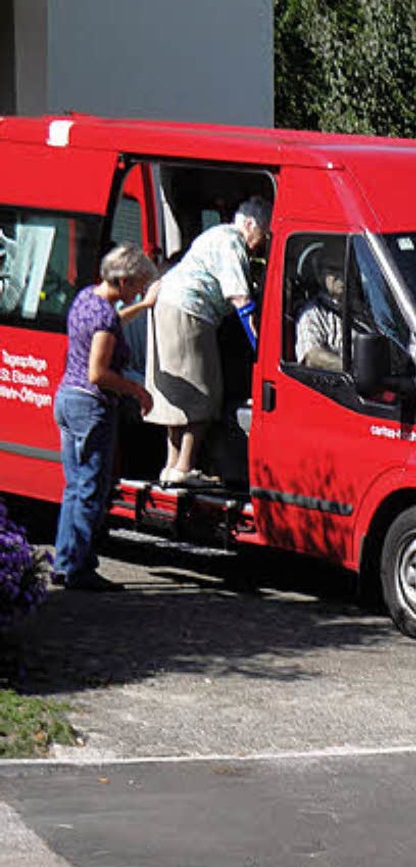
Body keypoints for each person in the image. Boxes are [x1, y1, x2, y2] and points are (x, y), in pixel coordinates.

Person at [145, 196, 272, 487]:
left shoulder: (213, 235)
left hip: (169, 307)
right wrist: (260, 350)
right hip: (190, 312)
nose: (260, 244)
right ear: (250, 225)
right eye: (262, 236)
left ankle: (172, 466)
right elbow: (242, 302)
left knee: (178, 391)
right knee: (203, 392)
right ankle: (186, 467)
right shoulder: (231, 242)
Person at [52, 243, 158, 591]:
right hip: (90, 405)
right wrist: (136, 390)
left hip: (67, 398)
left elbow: (109, 326)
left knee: (73, 487)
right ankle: (77, 569)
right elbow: (99, 373)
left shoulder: (86, 298)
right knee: (90, 490)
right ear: (123, 280)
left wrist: (141, 307)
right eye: (138, 284)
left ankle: (64, 562)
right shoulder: (106, 316)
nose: (140, 289)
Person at [295, 245, 345, 370]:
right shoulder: (311, 312)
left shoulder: (362, 308)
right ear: (319, 274)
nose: (339, 275)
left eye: (342, 269)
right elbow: (312, 356)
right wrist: (351, 368)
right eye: (332, 270)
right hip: (337, 384)